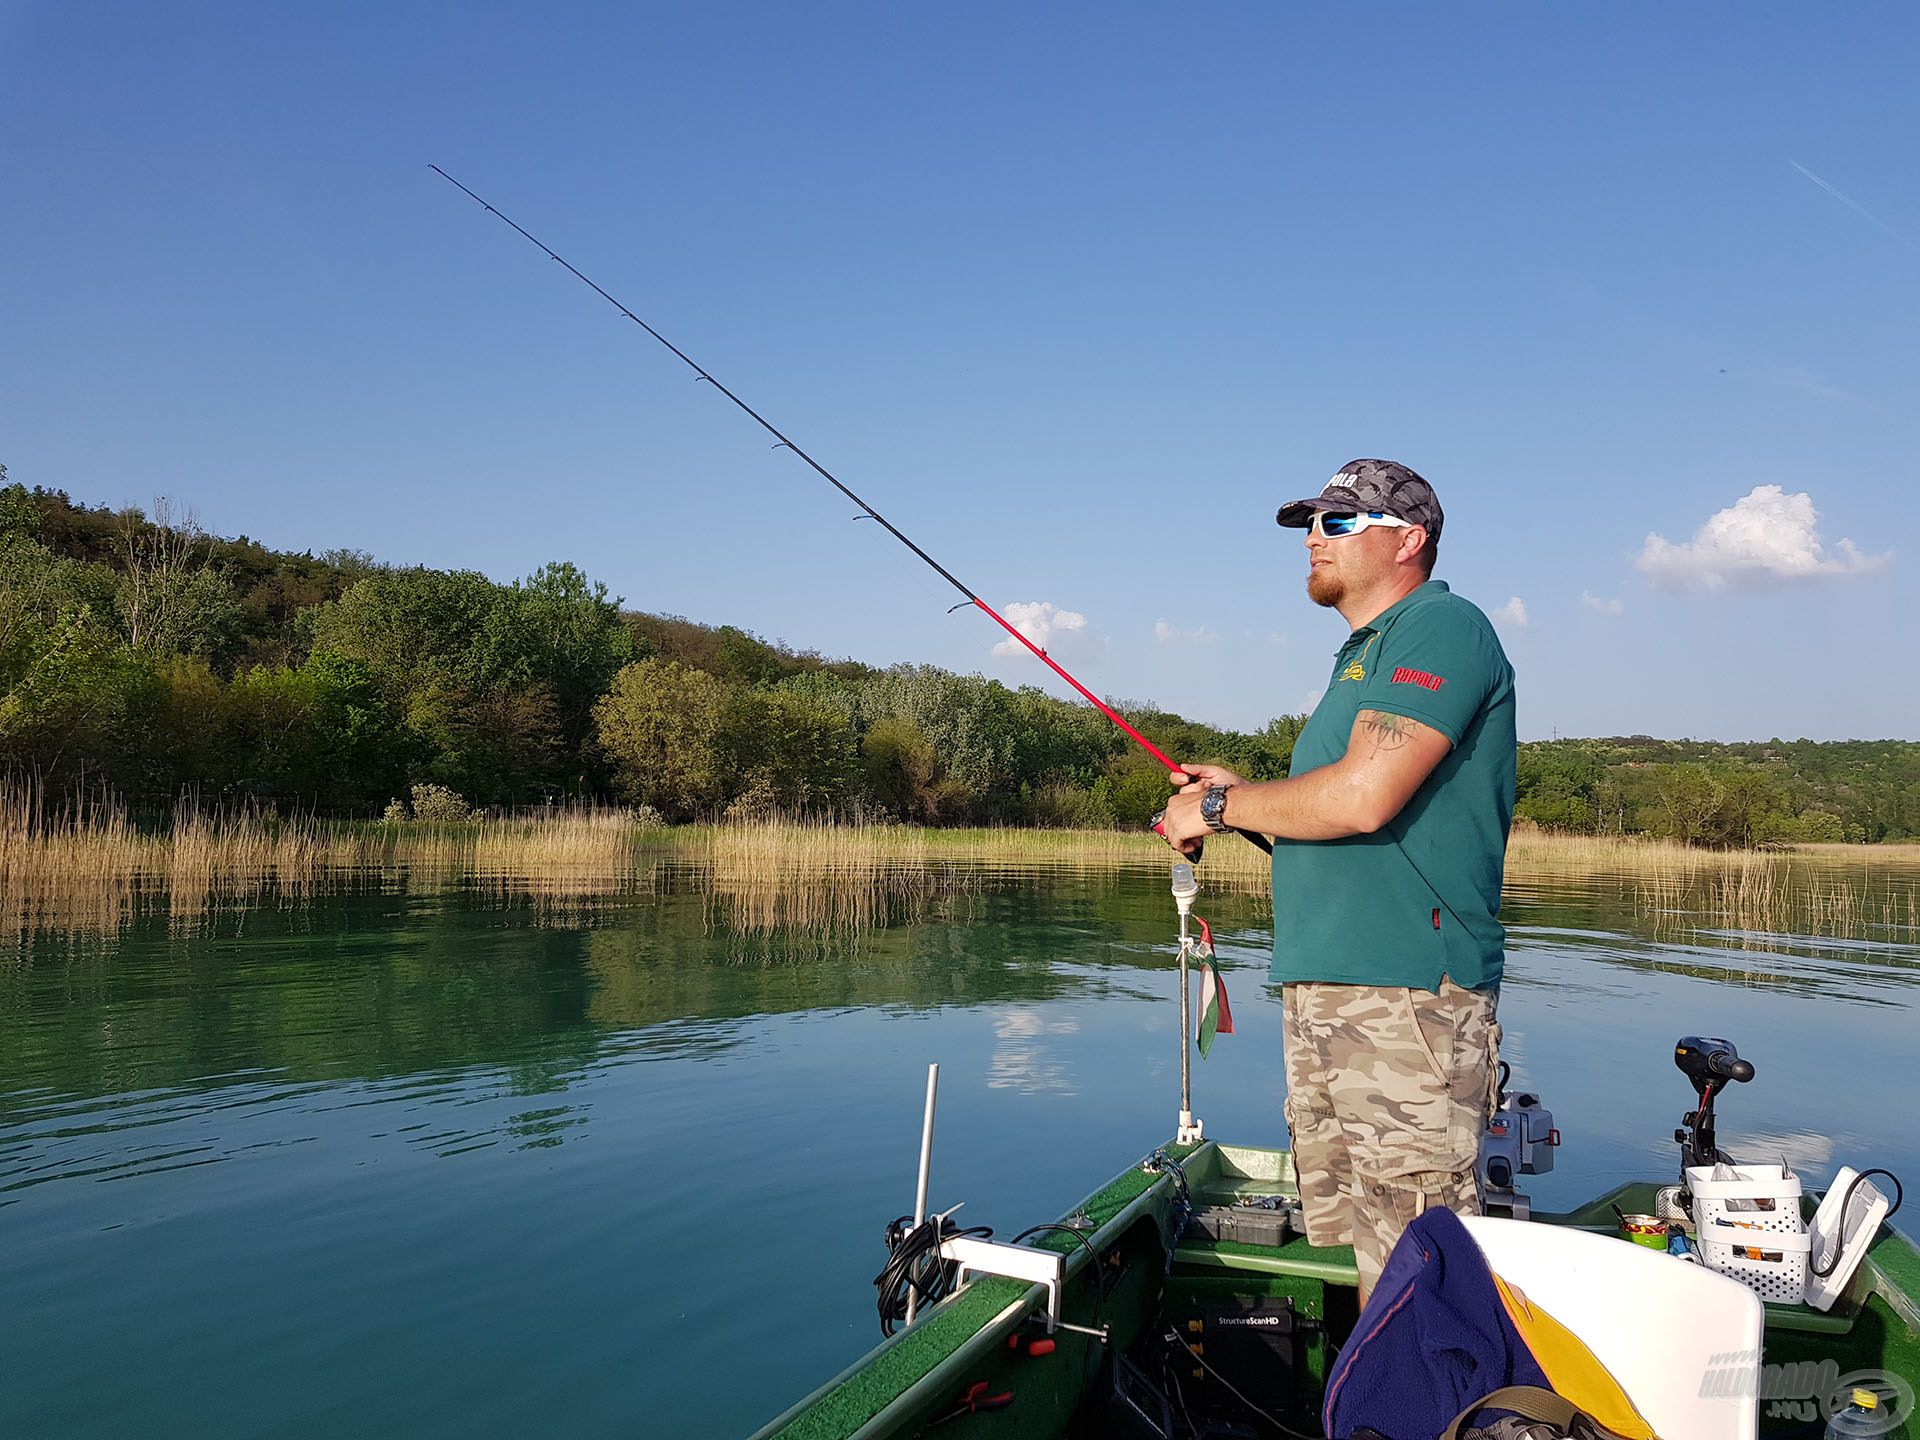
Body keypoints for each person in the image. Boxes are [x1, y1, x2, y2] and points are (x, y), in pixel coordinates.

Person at [1156, 458, 1516, 1300]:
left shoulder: (1443, 626)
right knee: (1343, 1248)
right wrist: (1237, 802)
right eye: (1312, 522)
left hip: (1406, 1001)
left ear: (1409, 539)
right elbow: (1349, 829)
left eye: (1341, 521)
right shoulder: (1360, 660)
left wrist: (1215, 810)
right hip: (1323, 994)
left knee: (1412, 1264)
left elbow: (1362, 797)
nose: (1315, 536)